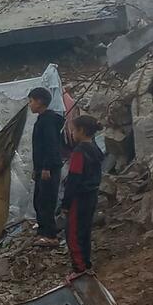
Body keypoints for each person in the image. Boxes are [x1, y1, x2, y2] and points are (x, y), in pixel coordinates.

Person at [62, 115, 105, 278]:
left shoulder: (79, 152)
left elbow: (74, 178)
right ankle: (86, 264)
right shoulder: (95, 149)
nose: (71, 133)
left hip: (78, 198)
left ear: (81, 131)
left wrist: (66, 204)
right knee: (85, 231)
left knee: (73, 233)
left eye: (73, 130)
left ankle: (79, 269)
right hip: (91, 195)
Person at [28, 87, 65, 245]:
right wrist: (37, 169)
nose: (29, 105)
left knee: (46, 201)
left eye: (31, 101)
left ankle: (50, 236)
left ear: (40, 102)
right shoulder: (43, 119)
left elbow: (51, 145)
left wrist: (46, 168)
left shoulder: (48, 121)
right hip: (42, 168)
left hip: (48, 168)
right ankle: (43, 231)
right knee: (39, 200)